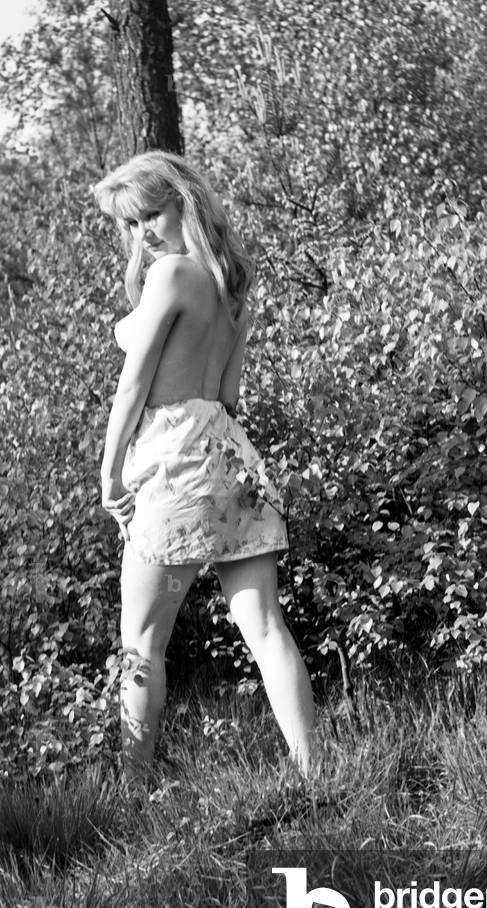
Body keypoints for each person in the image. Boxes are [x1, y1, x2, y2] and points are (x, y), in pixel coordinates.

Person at [92, 150, 318, 787]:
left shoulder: (171, 276)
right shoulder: (229, 285)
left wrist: (111, 473)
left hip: (173, 461)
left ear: (183, 202)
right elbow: (228, 394)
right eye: (130, 225)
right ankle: (315, 773)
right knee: (266, 627)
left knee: (140, 643)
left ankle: (130, 795)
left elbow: (133, 386)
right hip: (228, 455)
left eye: (150, 216)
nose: (143, 234)